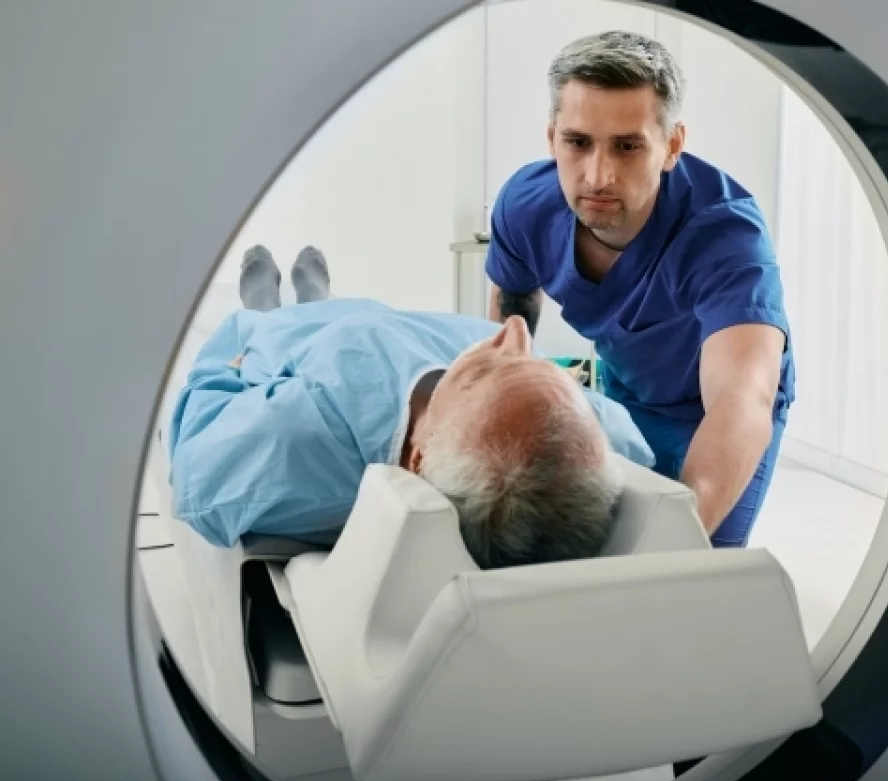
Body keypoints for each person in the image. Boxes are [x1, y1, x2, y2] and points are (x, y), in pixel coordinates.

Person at [485, 30, 794, 549]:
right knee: (591, 537)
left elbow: (742, 396)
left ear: (671, 146)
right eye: (577, 143)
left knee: (694, 560)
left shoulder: (725, 236)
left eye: (627, 146)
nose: (597, 176)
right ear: (552, 138)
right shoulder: (524, 206)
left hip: (716, 410)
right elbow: (513, 306)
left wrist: (673, 545)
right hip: (628, 390)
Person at [168, 245, 655, 569]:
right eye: (538, 365)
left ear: (418, 458)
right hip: (399, 326)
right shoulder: (599, 443)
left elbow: (196, 467)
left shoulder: (300, 440)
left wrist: (225, 369)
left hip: (297, 349)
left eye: (485, 373)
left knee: (268, 326)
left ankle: (264, 305)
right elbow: (628, 439)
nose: (515, 330)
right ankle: (316, 297)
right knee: (344, 310)